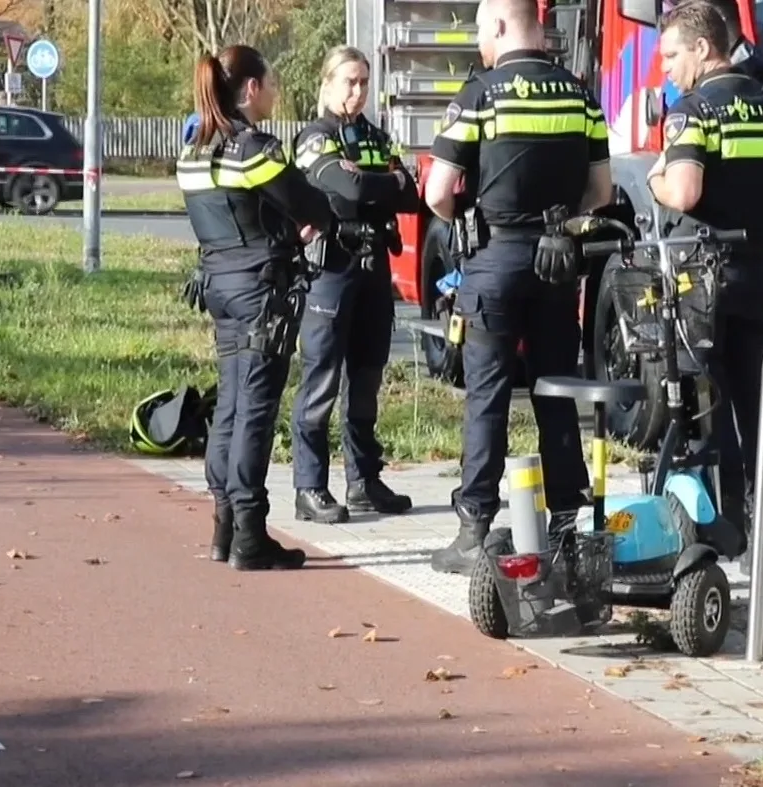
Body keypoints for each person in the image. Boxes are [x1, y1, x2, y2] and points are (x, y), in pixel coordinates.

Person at [423, 0, 613, 576]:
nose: (479, 43)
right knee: (557, 392)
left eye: (482, 30)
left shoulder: (478, 95)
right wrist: (559, 222)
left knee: (488, 396)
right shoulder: (580, 95)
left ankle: (474, 530)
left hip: (494, 261)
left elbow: (437, 192)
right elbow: (601, 191)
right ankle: (567, 529)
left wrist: (466, 216)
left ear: (502, 26)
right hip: (558, 263)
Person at [647, 2, 763, 579]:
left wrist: (655, 178)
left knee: (705, 407)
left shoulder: (693, 110)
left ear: (704, 49)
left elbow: (684, 192)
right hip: (759, 274)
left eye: (672, 55)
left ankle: (723, 529)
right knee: (761, 408)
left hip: (702, 279)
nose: (667, 69)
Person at [175, 45, 335, 571]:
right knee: (255, 410)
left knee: (229, 405)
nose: (274, 93)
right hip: (260, 291)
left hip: (218, 286)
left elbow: (235, 212)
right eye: (271, 84)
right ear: (250, 89)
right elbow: (312, 206)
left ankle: (224, 528)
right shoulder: (254, 150)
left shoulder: (194, 151)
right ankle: (250, 535)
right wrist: (305, 223)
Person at [288, 46, 422, 523]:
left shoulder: (375, 137)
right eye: (349, 81)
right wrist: (381, 181)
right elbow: (352, 190)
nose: (358, 90)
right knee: (321, 380)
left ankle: (364, 480)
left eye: (364, 81)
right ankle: (309, 486)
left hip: (373, 269)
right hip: (331, 270)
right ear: (327, 84)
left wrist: (378, 181)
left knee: (366, 379)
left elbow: (411, 195)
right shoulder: (314, 137)